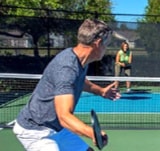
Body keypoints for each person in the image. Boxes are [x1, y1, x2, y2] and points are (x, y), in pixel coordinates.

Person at [13, 19, 121, 151]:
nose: (107, 48)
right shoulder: (66, 67)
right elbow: (64, 116)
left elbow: (79, 81)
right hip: (36, 130)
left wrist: (101, 91)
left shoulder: (79, 60)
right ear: (98, 43)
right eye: (107, 44)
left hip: (57, 127)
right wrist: (92, 132)